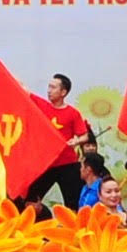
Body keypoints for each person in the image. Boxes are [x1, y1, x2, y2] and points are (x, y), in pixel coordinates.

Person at [33, 74, 94, 209]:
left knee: (74, 205)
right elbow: (23, 90)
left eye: (53, 87)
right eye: (49, 87)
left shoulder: (73, 113)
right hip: (46, 163)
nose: (49, 90)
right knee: (31, 199)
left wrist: (76, 141)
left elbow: (84, 136)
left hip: (67, 164)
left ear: (63, 92)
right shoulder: (42, 106)